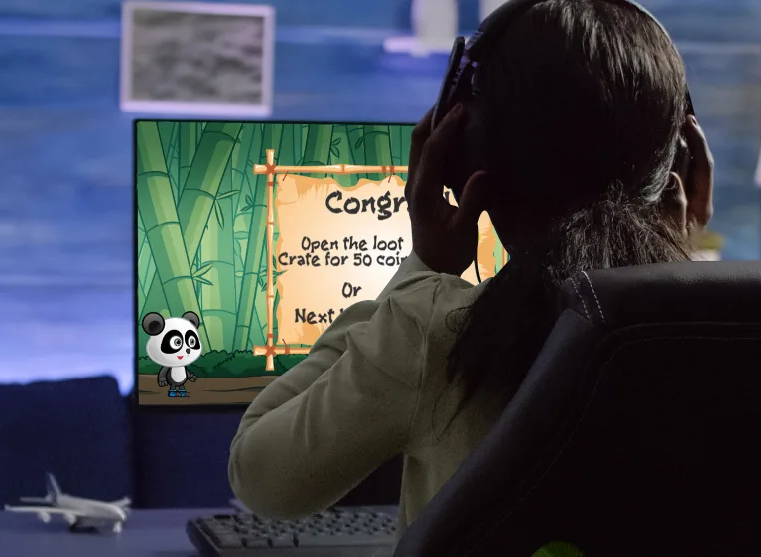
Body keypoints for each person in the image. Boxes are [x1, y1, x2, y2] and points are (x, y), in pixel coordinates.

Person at [228, 0, 714, 534]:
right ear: (684, 172)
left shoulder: (440, 334)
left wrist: (424, 271)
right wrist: (673, 262)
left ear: (462, 165)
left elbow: (259, 474)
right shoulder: (738, 343)